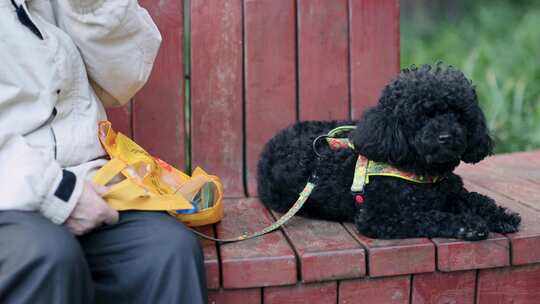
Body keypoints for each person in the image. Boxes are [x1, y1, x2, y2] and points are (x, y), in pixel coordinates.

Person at [0, 0, 207, 303]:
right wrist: (57, 193)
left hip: (79, 180)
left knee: (165, 250)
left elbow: (122, 81)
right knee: (46, 258)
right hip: (19, 191)